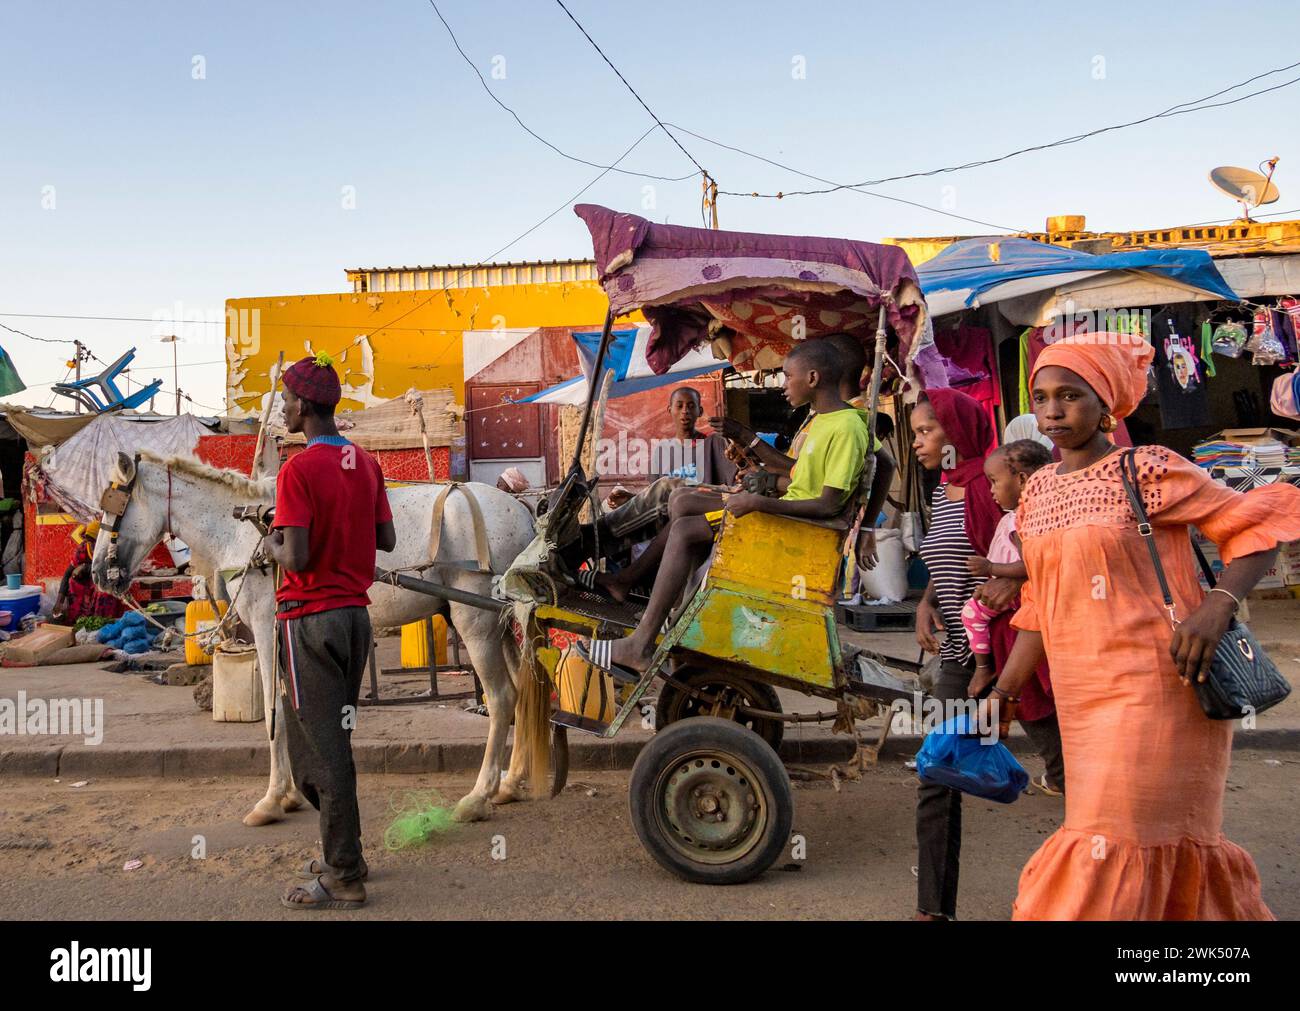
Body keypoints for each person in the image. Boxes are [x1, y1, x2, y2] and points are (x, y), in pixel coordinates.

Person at [985, 331, 1300, 920]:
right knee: (1106, 833)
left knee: (1127, 838)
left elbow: (1262, 521)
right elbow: (1040, 605)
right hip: (1083, 696)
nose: (1053, 411)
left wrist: (1217, 605)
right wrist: (1005, 690)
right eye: (1042, 396)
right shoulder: (1038, 492)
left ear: (1106, 403)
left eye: (1070, 396)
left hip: (1158, 684)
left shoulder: (1146, 469)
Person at [584, 339, 872, 676]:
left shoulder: (848, 427)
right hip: (785, 510)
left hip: (796, 527)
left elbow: (828, 504)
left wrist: (757, 500)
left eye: (786, 376)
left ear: (812, 378)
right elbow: (829, 471)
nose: (781, 386)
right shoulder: (827, 420)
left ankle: (642, 641)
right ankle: (663, 599)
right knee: (683, 504)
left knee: (684, 529)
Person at [266, 353, 396, 912]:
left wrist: (269, 539)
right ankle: (346, 851)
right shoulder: (365, 463)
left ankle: (343, 874)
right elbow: (385, 538)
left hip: (309, 623)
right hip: (355, 622)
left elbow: (294, 554)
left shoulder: (295, 471)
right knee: (328, 743)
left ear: (304, 405)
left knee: (321, 753)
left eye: (287, 400)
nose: (284, 409)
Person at [910, 388, 1023, 920]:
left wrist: (1012, 590)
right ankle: (933, 910)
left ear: (955, 432)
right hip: (961, 650)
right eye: (914, 433)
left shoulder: (989, 484)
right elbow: (945, 560)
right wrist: (926, 602)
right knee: (937, 773)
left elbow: (1025, 554)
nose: (917, 443)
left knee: (1069, 769)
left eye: (926, 431)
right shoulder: (946, 486)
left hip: (1010, 651)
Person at [651, 387, 737, 486]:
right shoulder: (662, 450)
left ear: (700, 411)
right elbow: (654, 492)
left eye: (691, 406)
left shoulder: (714, 444)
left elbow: (734, 483)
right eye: (679, 406)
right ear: (670, 410)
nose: (685, 411)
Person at [51, 519, 124, 625]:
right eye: (88, 540)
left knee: (102, 591)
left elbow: (112, 570)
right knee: (73, 581)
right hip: (89, 581)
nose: (90, 543)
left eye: (93, 541)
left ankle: (102, 622)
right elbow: (67, 574)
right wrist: (59, 602)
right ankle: (77, 621)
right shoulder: (84, 548)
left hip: (105, 579)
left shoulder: (110, 549)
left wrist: (86, 567)